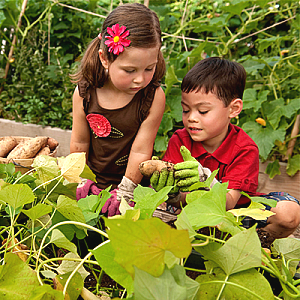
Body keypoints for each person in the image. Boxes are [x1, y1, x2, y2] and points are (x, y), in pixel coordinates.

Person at [150, 57, 300, 239]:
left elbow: (228, 203)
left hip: (236, 217)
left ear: (234, 109)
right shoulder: (180, 140)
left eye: (203, 111)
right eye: (186, 110)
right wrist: (172, 193)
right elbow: (179, 198)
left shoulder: (244, 149)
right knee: (149, 213)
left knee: (289, 212)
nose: (191, 118)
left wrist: (204, 180)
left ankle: (256, 243)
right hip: (191, 215)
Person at [70, 3, 166, 216]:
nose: (140, 79)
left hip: (134, 186)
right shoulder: (85, 93)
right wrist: (80, 180)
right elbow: (79, 142)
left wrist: (126, 190)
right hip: (92, 182)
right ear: (105, 58)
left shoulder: (152, 97)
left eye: (149, 68)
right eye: (129, 70)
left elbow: (141, 150)